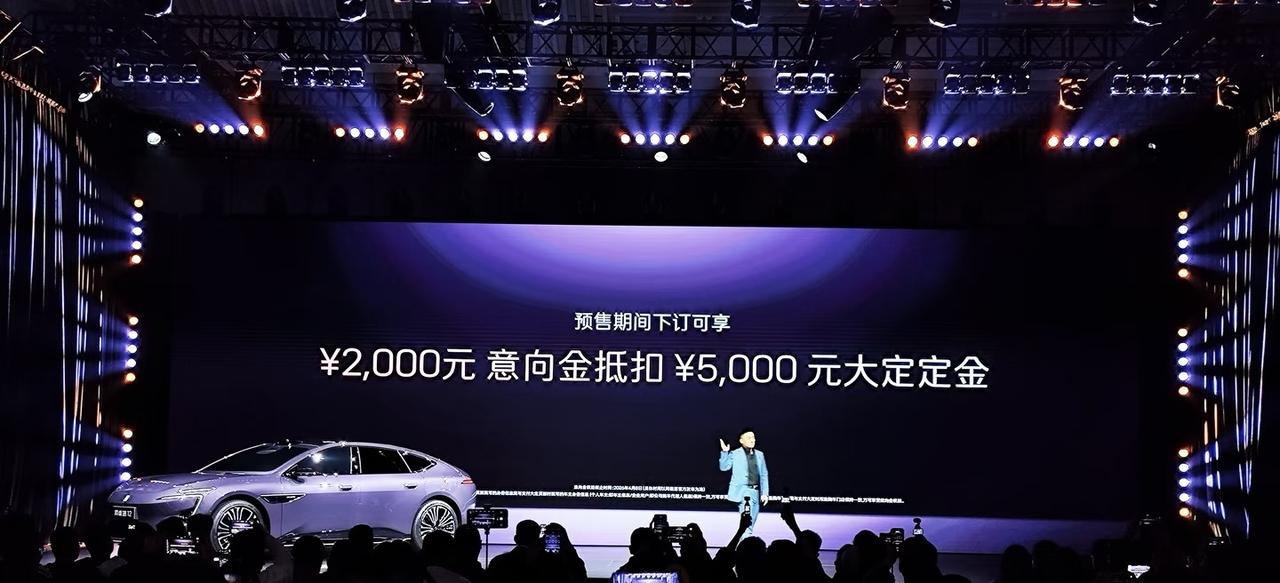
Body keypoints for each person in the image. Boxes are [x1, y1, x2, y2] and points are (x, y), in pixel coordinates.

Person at [718, 427, 770, 535]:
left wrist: (765, 493)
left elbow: (764, 474)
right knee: (747, 525)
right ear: (741, 441)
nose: (752, 440)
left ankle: (743, 544)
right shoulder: (735, 453)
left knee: (750, 525)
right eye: (749, 437)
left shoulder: (760, 454)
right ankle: (746, 545)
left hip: (755, 492)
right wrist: (725, 452)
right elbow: (724, 467)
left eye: (753, 437)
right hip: (743, 492)